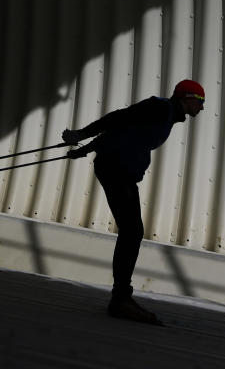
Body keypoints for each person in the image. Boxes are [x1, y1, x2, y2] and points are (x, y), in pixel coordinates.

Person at [61, 79, 205, 325]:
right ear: (186, 97)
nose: (202, 108)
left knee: (132, 231)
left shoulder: (167, 115)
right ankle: (121, 300)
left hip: (118, 169)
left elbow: (123, 132)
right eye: (200, 101)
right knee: (132, 231)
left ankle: (121, 298)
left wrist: (85, 149)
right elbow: (118, 118)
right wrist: (82, 135)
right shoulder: (160, 108)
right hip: (116, 170)